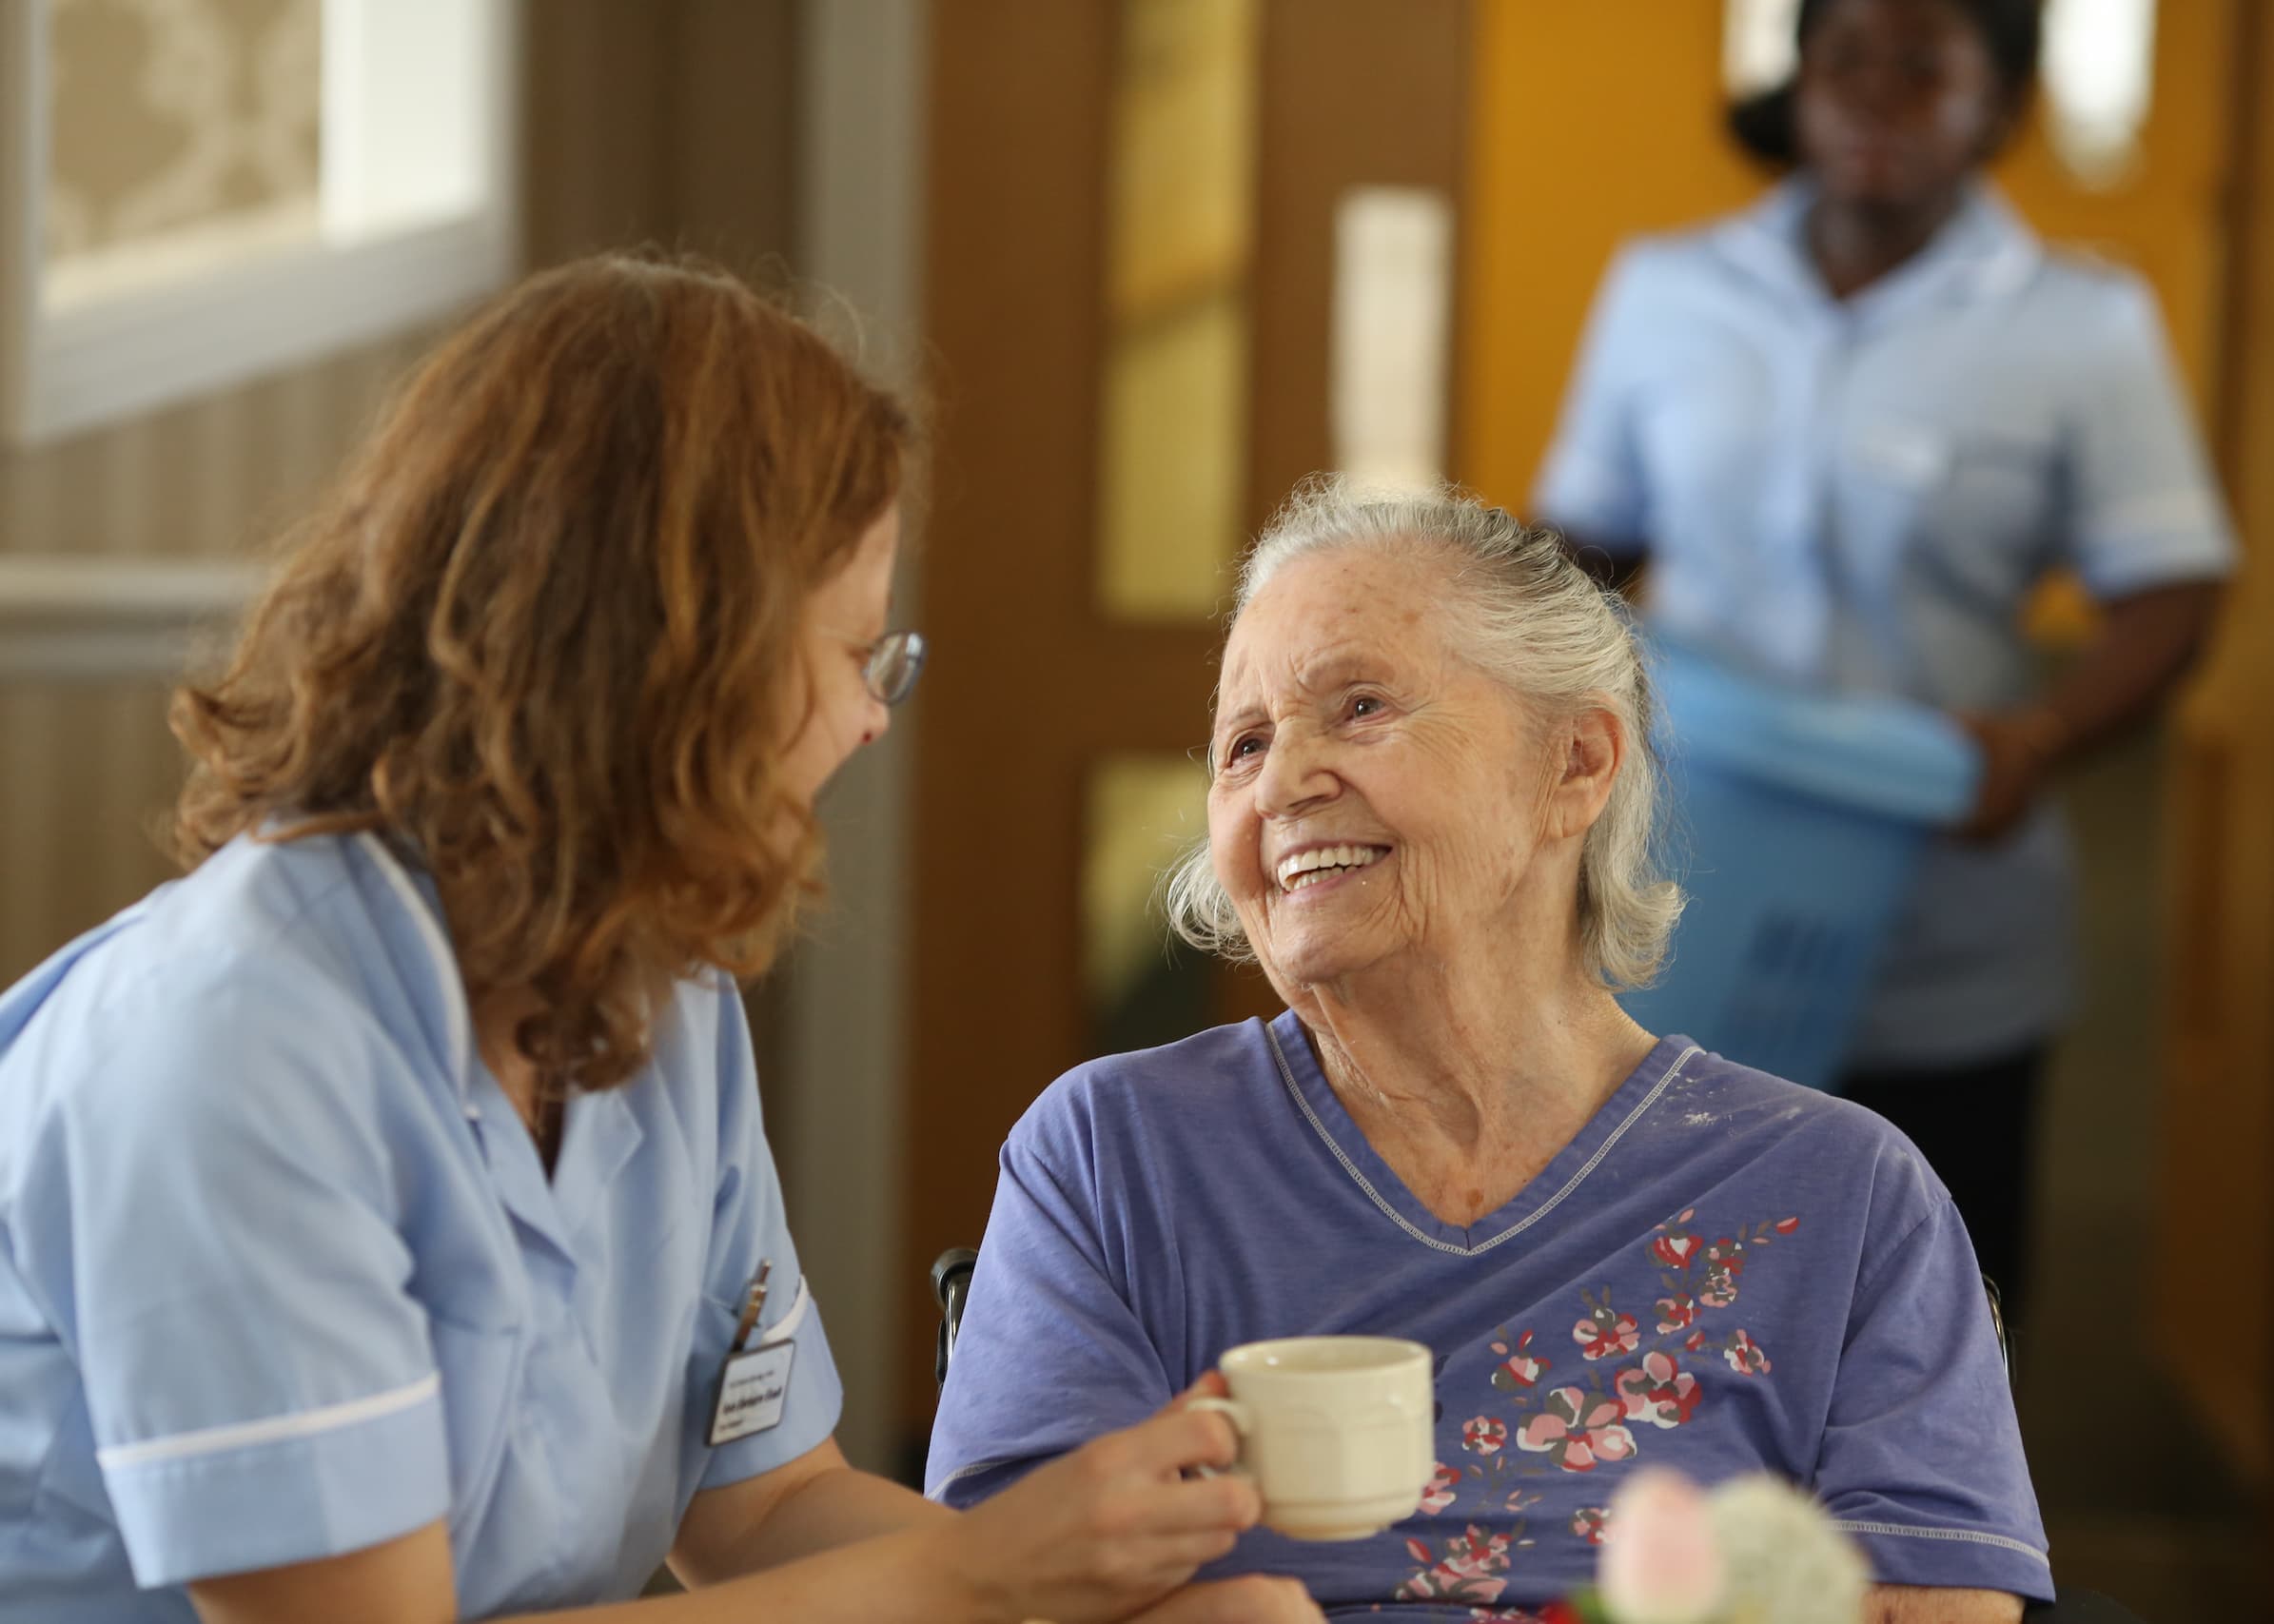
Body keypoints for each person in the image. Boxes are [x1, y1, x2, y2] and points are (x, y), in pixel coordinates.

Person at [0, 257, 1321, 1624]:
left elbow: (765, 1510)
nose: (873, 719)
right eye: (855, 655)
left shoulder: (655, 987)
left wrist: (1098, 1607)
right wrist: (980, 1575)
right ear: (681, 658)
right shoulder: (230, 1042)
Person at [927, 481, 2049, 1622]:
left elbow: (1939, 1605)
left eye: (1360, 708)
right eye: (1243, 744)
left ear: (1574, 764)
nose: (1280, 784)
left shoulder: (1840, 1192)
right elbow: (1000, 1589)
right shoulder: (1114, 1156)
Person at [1531, 0, 2235, 1328]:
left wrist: (2040, 737)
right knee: (1669, 1327)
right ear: (1799, 80)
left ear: (2002, 107)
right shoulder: (1667, 290)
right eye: (1844, 59)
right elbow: (1581, 549)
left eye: (1925, 70)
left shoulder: (2080, 323)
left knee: (1929, 1330)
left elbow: (2172, 588)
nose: (1873, 97)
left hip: (1943, 892)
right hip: (1701, 882)